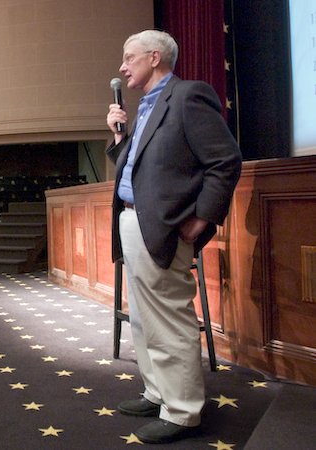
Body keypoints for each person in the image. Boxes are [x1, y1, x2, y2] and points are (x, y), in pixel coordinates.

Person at [105, 30, 242, 444]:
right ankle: (157, 392)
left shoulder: (188, 96)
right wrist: (118, 139)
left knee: (169, 319)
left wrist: (202, 218)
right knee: (146, 320)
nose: (122, 67)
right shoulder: (146, 105)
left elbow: (225, 161)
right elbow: (144, 166)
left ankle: (182, 411)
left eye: (129, 58)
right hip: (132, 221)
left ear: (154, 57)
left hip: (162, 226)